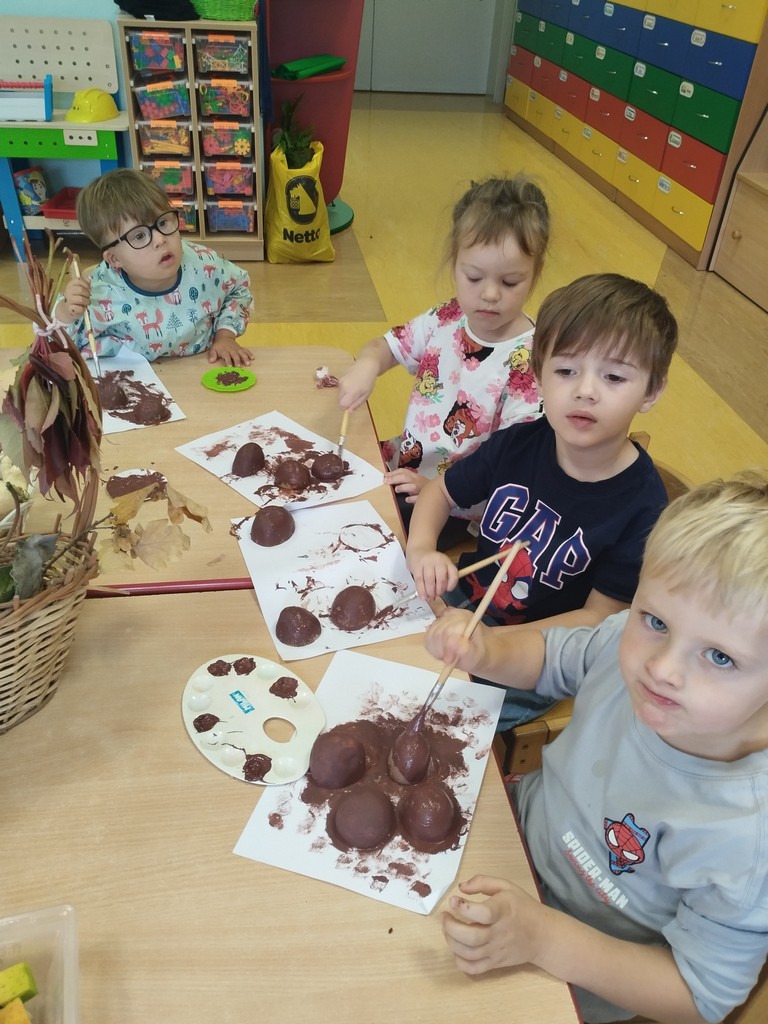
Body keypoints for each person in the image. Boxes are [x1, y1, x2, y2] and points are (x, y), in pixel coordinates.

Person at [423, 472, 768, 1024]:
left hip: (568, 973)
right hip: (505, 838)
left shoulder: (749, 839)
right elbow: (549, 659)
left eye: (720, 657)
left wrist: (542, 939)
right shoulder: (622, 644)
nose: (662, 668)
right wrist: (486, 652)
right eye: (655, 621)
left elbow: (699, 998)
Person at [406, 272, 678, 730]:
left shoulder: (645, 509)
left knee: (439, 724)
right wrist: (422, 550)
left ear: (650, 391)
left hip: (538, 656)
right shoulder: (518, 443)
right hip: (464, 603)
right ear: (537, 375)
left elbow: (597, 619)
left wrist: (490, 645)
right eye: (566, 371)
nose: (585, 390)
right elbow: (440, 492)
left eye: (614, 376)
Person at [338, 175, 550, 549]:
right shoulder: (446, 317)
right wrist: (367, 365)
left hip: (458, 504)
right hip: (405, 464)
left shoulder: (528, 364)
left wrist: (436, 491)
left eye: (510, 282)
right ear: (454, 265)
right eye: (474, 277)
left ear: (534, 276)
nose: (489, 294)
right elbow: (385, 346)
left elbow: (509, 468)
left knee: (359, 534)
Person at [55, 169, 254, 366]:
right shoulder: (98, 291)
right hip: (133, 377)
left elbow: (238, 289)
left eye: (163, 222)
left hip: (199, 368)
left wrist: (225, 336)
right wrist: (65, 313)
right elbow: (57, 344)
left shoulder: (205, 264)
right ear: (114, 259)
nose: (160, 239)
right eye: (139, 235)